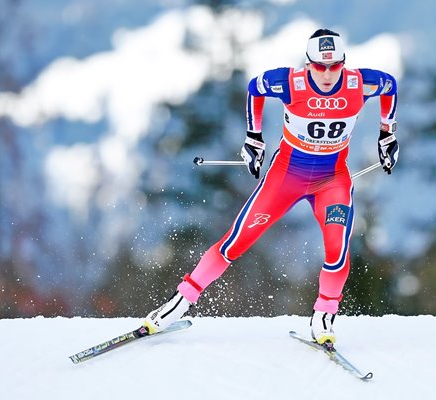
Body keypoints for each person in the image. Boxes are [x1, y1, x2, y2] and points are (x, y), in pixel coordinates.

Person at [144, 28, 399, 345]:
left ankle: (323, 316)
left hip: (331, 180)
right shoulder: (291, 83)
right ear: (308, 65)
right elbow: (255, 89)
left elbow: (390, 86)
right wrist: (254, 137)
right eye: (320, 66)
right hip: (286, 177)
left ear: (344, 64)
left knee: (337, 249)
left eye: (335, 66)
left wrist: (387, 133)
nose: (328, 74)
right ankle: (179, 302)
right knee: (236, 242)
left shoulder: (359, 83)